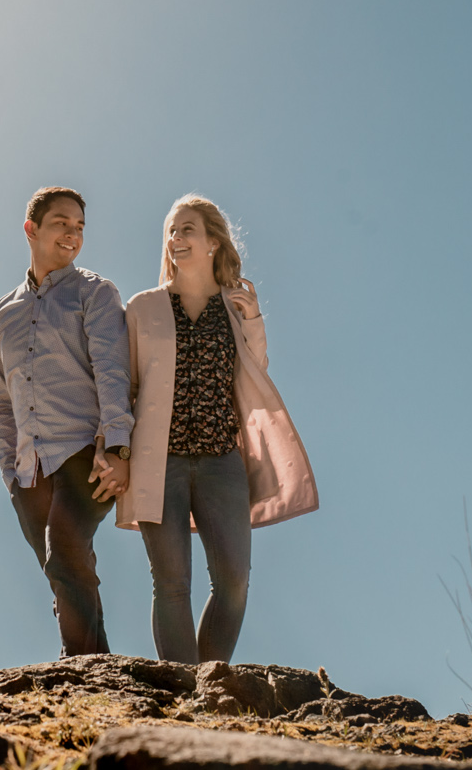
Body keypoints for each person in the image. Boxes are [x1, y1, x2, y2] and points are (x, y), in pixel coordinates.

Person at [116, 194, 318, 665]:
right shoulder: (143, 307)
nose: (176, 238)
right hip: (158, 462)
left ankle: (211, 683)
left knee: (234, 582)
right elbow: (125, 385)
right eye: (171, 231)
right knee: (170, 582)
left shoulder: (234, 306)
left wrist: (253, 319)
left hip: (222, 463)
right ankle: (186, 695)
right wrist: (118, 453)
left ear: (212, 242)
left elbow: (255, 372)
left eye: (187, 229)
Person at [0, 186, 133, 656]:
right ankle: (100, 672)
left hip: (82, 454)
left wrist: (117, 448)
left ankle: (83, 670)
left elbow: (114, 372)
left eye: (79, 227)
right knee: (64, 571)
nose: (72, 234)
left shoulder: (95, 292)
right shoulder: (0, 314)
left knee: (66, 556)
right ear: (31, 230)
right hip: (27, 471)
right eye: (61, 224)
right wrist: (9, 469)